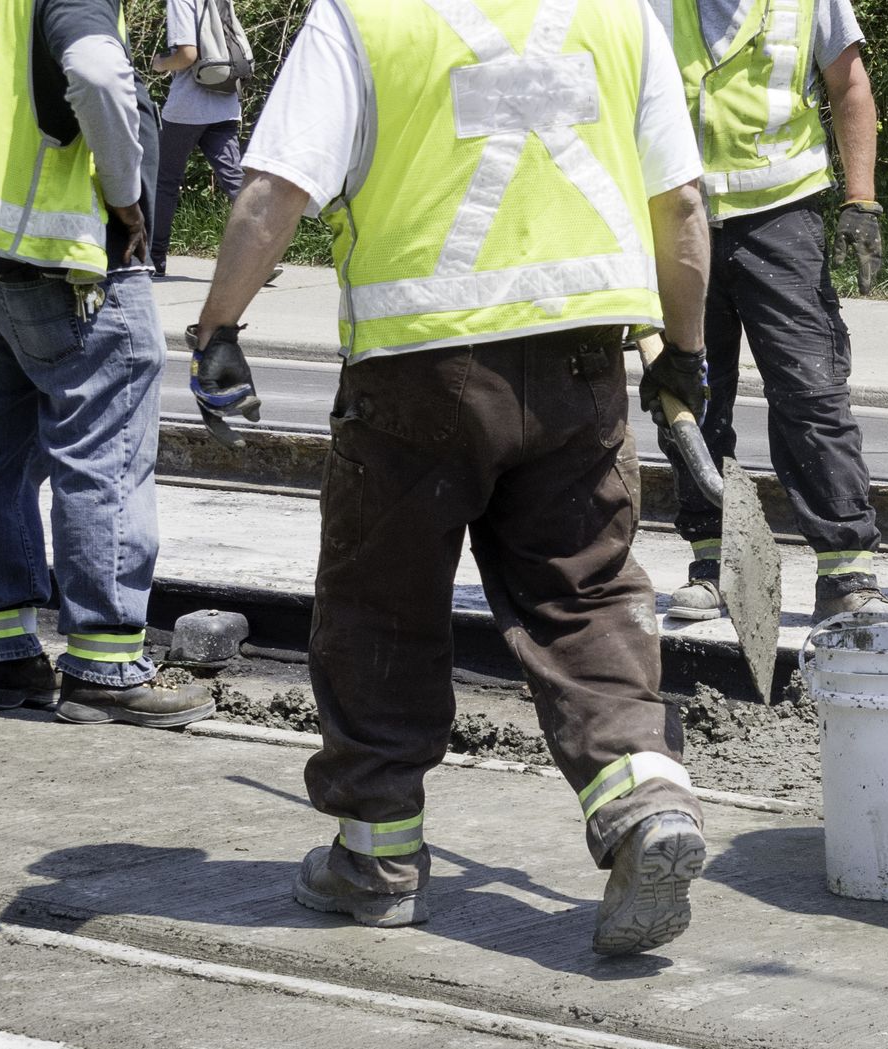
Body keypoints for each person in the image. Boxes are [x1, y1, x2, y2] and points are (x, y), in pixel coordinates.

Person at [188, 0, 714, 956]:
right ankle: (646, 800)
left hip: (418, 372)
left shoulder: (362, 17)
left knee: (382, 603)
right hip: (580, 363)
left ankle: (376, 861)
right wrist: (684, 350)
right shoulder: (622, 15)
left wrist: (218, 325)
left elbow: (274, 191)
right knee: (584, 592)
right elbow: (679, 204)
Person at [0, 0, 213, 727]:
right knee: (106, 453)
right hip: (67, 261)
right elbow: (98, 75)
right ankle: (104, 663)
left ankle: (3, 656)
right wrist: (127, 200)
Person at [652, 0, 888, 625]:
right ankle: (713, 566)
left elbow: (849, 82)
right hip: (677, 217)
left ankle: (846, 573)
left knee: (811, 391)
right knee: (690, 392)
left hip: (780, 218)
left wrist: (861, 201)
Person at [147, 0, 245, 279]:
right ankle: (258, 258)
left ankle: (154, 259)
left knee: (164, 181)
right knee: (236, 180)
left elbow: (187, 55)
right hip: (226, 100)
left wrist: (161, 64)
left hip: (189, 108)